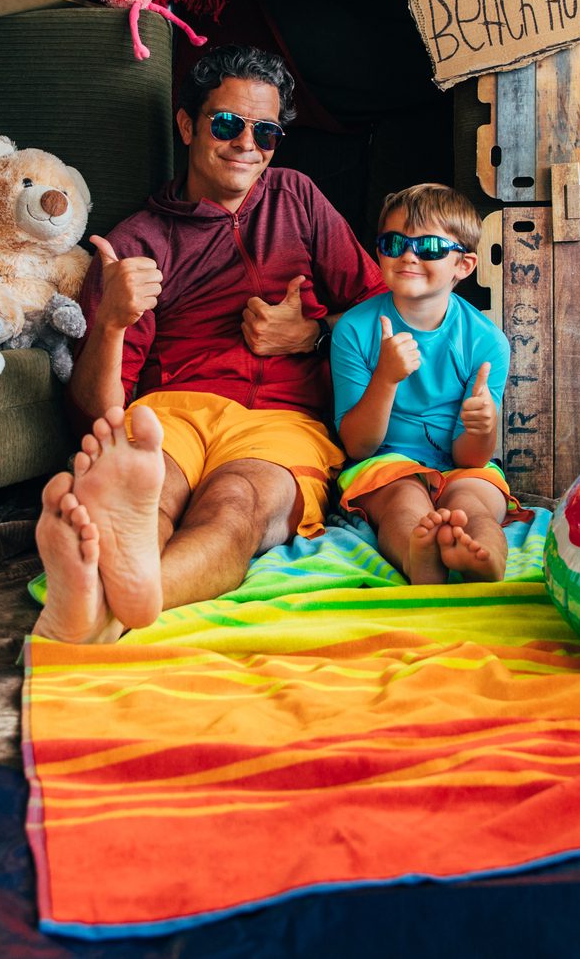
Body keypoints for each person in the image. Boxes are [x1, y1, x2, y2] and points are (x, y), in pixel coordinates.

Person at [32, 46, 383, 644]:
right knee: (152, 498)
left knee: (235, 508)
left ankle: (105, 608)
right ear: (188, 124)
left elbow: (386, 315)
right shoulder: (135, 243)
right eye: (226, 124)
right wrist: (112, 323)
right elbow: (93, 415)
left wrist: (315, 334)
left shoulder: (297, 198)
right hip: (171, 412)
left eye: (266, 132)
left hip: (283, 421)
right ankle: (115, 580)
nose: (247, 144)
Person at [328, 183, 513, 584]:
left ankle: (486, 557)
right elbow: (359, 446)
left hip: (460, 466)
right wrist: (386, 378)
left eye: (429, 247)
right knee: (402, 502)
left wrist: (483, 427)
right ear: (379, 252)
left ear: (464, 265)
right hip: (384, 464)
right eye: (394, 243)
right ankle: (419, 559)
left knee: (474, 505)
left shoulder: (487, 342)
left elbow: (470, 458)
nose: (408, 255)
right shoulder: (354, 330)